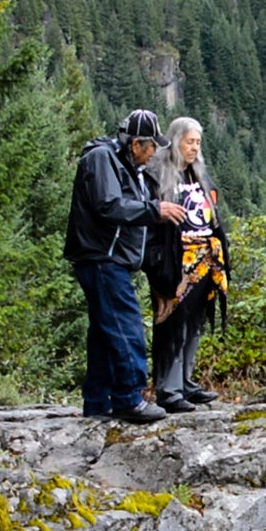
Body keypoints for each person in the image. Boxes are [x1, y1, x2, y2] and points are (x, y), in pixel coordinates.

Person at [64, 109, 187, 423]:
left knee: (105, 332)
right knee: (126, 327)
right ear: (135, 144)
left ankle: (96, 401)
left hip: (113, 259)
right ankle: (129, 398)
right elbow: (110, 205)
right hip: (102, 258)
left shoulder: (129, 166)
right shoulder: (102, 159)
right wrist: (154, 210)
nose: (152, 155)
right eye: (149, 148)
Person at [142, 116, 230, 413]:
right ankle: (168, 388)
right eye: (189, 142)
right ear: (176, 140)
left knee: (195, 323)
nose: (194, 148)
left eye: (198, 143)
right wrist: (154, 263)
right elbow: (150, 222)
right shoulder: (158, 174)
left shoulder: (198, 174)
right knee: (171, 323)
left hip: (205, 260)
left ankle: (186, 381)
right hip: (174, 262)